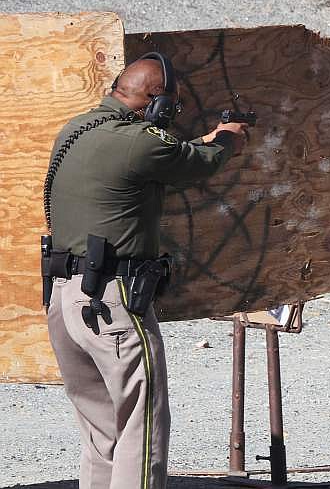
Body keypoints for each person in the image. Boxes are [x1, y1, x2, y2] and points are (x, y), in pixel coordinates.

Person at [43, 52, 249, 489]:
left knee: (102, 432)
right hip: (112, 302)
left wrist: (202, 139)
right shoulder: (140, 141)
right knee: (142, 423)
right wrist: (229, 139)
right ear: (154, 103)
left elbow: (159, 154)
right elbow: (200, 162)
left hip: (65, 298)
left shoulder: (75, 128)